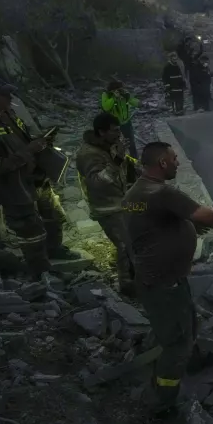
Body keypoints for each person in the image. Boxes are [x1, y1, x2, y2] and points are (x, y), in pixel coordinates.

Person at [123, 141, 213, 418]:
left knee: (188, 323)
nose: (178, 163)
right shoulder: (163, 194)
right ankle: (162, 398)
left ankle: (194, 358)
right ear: (163, 163)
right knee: (175, 345)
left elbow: (152, 225)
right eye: (174, 159)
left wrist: (186, 226)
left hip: (159, 280)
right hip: (162, 285)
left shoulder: (136, 192)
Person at [0, 76, 79, 279]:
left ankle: (55, 250)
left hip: (35, 179)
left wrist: (40, 142)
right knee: (31, 231)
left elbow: (22, 139)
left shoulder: (8, 114)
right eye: (3, 94)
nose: (9, 97)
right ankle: (40, 272)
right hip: (13, 188)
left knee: (53, 216)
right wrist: (28, 151)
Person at [75, 113, 140, 297]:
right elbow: (97, 182)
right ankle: (127, 286)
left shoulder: (108, 145)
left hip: (122, 202)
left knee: (133, 239)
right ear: (101, 132)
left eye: (119, 130)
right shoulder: (88, 154)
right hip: (108, 208)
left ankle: (137, 276)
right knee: (124, 245)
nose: (119, 134)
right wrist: (118, 159)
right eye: (114, 131)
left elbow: (124, 167)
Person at [100, 80, 139, 154]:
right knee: (116, 143)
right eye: (119, 89)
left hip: (126, 122)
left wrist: (139, 103)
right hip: (114, 124)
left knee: (130, 142)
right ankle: (117, 159)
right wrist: (114, 97)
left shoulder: (124, 94)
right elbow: (106, 107)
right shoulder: (106, 95)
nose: (121, 91)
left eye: (122, 89)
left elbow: (131, 100)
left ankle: (134, 159)